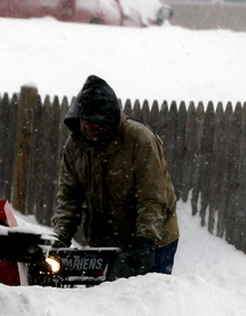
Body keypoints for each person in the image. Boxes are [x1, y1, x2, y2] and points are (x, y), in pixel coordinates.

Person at [51, 75, 179, 275]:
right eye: (85, 122)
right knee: (104, 303)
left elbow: (152, 198)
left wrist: (146, 242)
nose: (89, 129)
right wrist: (60, 239)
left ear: (108, 121)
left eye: (96, 124)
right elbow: (69, 198)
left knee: (147, 301)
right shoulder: (75, 148)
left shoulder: (139, 141)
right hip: (104, 243)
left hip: (154, 240)